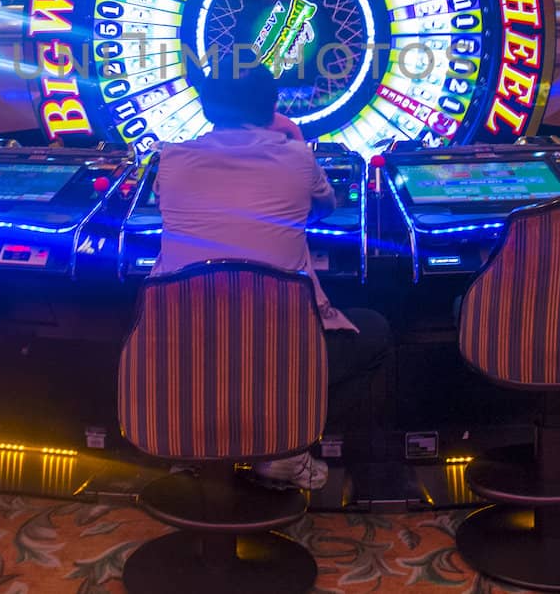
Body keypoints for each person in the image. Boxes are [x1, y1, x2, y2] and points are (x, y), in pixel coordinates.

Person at [154, 54, 392, 489]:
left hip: (180, 353)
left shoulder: (171, 159)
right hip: (281, 355)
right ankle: (287, 448)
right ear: (272, 107)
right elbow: (327, 207)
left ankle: (193, 445)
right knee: (375, 332)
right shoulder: (297, 157)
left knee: (203, 341)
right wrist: (291, 139)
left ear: (207, 105)